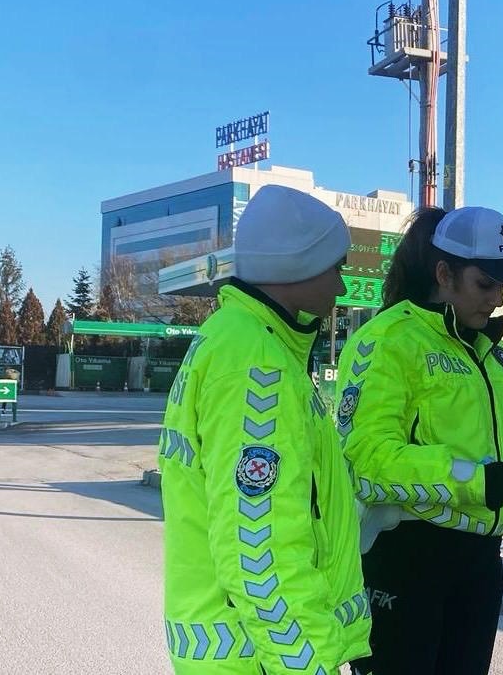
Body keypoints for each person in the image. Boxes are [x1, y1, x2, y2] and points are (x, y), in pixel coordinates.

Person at [338, 205, 503, 675]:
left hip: (478, 564)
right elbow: (363, 459)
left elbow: (499, 452)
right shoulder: (388, 340)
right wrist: (473, 481)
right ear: (444, 273)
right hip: (407, 562)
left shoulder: (493, 355)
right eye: (485, 284)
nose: (497, 299)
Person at [158, 184, 371, 673]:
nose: (340, 288)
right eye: (335, 268)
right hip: (260, 657)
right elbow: (260, 550)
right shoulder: (257, 363)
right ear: (297, 266)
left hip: (243, 651)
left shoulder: (240, 341)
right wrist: (309, 664)